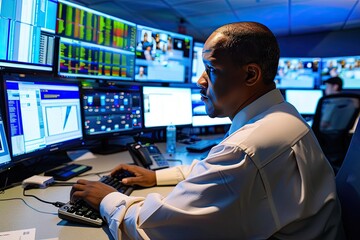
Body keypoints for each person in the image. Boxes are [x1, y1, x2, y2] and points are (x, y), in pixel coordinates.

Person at [70, 22, 344, 239]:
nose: (200, 80)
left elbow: (153, 230)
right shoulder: (281, 116)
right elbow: (219, 170)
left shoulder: (247, 148)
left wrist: (108, 198)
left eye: (210, 69)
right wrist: (156, 177)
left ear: (251, 75)